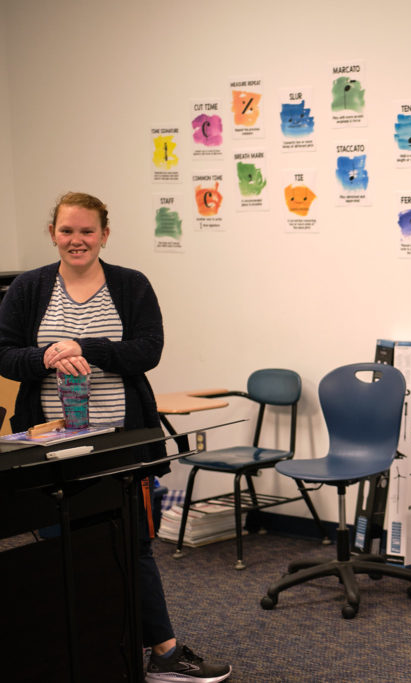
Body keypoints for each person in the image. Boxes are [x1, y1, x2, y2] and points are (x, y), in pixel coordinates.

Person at [0, 192, 232, 683]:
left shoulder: (130, 286)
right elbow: (3, 355)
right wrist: (45, 357)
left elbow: (147, 351)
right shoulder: (28, 288)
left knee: (133, 544)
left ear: (104, 235)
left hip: (121, 444)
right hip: (49, 447)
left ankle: (164, 654)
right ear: (53, 234)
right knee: (54, 543)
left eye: (87, 231)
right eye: (67, 231)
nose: (76, 240)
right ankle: (70, 648)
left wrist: (84, 347)